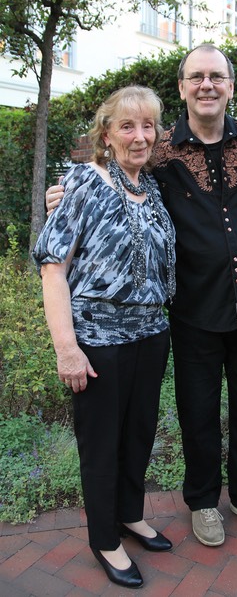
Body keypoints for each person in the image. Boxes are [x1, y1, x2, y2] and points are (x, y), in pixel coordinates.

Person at [46, 44, 237, 548]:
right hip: (192, 312)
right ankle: (201, 502)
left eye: (216, 76)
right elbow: (104, 168)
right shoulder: (162, 150)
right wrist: (61, 194)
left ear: (231, 85)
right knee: (197, 413)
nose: (207, 85)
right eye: (196, 76)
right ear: (182, 88)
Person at [34, 86, 176, 589]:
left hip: (151, 334)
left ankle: (130, 514)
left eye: (149, 126)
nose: (140, 136)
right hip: (96, 339)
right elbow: (54, 270)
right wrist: (67, 348)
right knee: (101, 442)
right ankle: (104, 538)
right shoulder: (83, 184)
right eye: (127, 126)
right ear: (107, 133)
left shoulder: (152, 190)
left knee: (138, 434)